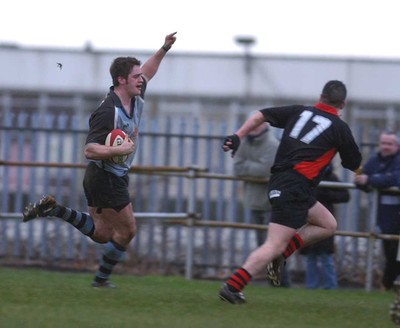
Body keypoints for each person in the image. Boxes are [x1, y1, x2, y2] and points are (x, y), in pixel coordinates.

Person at [21, 32, 177, 288]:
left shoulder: (135, 95)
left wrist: (164, 49)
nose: (141, 79)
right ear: (121, 80)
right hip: (106, 176)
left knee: (102, 233)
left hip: (105, 176)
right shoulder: (107, 111)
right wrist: (116, 151)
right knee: (127, 232)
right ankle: (101, 281)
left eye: (140, 76)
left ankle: (56, 209)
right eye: (136, 77)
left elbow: (149, 69)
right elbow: (90, 150)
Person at [219, 80, 362, 304]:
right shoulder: (339, 128)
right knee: (273, 244)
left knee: (327, 225)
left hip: (287, 184)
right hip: (294, 187)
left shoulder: (299, 111)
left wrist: (238, 135)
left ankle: (280, 257)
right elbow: (353, 162)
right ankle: (233, 286)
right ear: (343, 104)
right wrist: (359, 169)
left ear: (320, 96)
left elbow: (259, 115)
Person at [233, 121, 291, 287]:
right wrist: (255, 167)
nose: (253, 128)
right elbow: (237, 168)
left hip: (269, 203)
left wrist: (248, 166)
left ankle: (280, 281)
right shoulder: (244, 143)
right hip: (253, 202)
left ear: (264, 126)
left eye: (257, 125)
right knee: (262, 245)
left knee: (273, 246)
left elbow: (265, 170)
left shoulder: (272, 145)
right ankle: (274, 281)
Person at [353, 130, 400, 291]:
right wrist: (360, 180)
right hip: (386, 218)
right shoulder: (375, 160)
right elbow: (363, 176)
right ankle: (387, 286)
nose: (385, 147)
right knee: (391, 254)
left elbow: (396, 178)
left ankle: (387, 285)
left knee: (395, 255)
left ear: (397, 146)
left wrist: (371, 180)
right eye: (383, 143)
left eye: (389, 144)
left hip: (395, 216)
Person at [300, 164, 350, 289]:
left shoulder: (330, 176)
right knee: (311, 257)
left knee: (325, 257)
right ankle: (311, 286)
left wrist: (326, 193)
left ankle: (330, 286)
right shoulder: (305, 175)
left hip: (324, 220)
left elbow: (345, 195)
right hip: (307, 219)